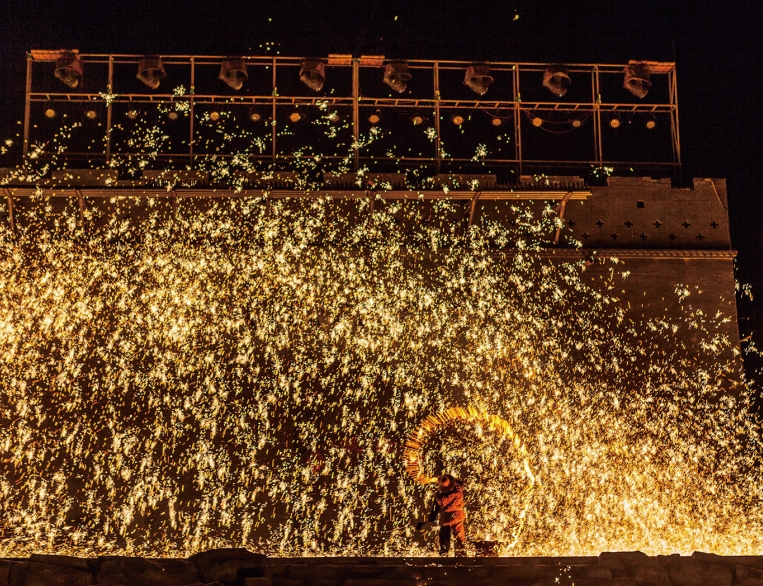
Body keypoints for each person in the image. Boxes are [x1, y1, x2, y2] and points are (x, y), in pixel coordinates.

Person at [419, 474, 466, 555]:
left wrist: (431, 518)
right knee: (459, 535)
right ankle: (461, 552)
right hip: (457, 516)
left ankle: (444, 552)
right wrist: (450, 480)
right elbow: (460, 482)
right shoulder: (458, 489)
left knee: (444, 536)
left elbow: (435, 508)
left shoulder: (439, 496)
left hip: (446, 518)